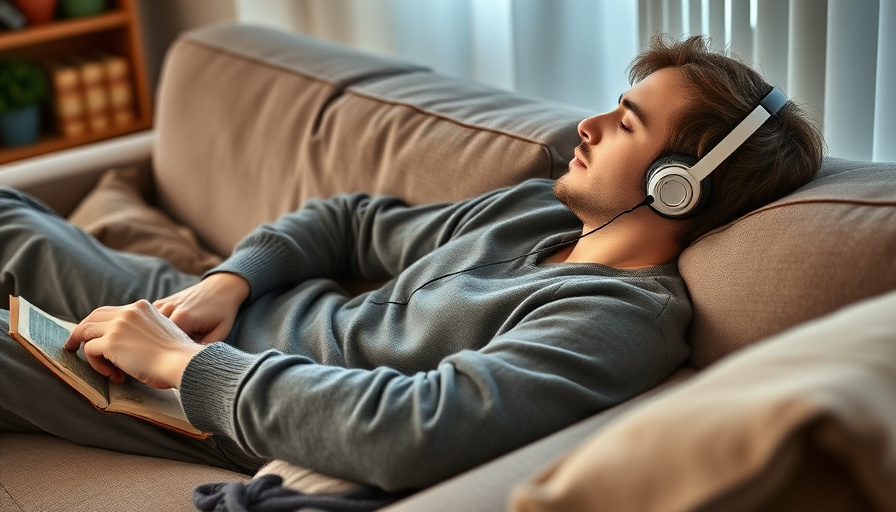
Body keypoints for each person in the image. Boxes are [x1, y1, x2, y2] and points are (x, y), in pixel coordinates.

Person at [0, 35, 823, 491]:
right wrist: (230, 280)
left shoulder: (616, 320)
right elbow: (350, 222)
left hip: (214, 394)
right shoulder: (535, 209)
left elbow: (416, 429)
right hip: (195, 313)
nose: (590, 124)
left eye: (629, 123)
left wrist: (187, 368)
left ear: (676, 188)